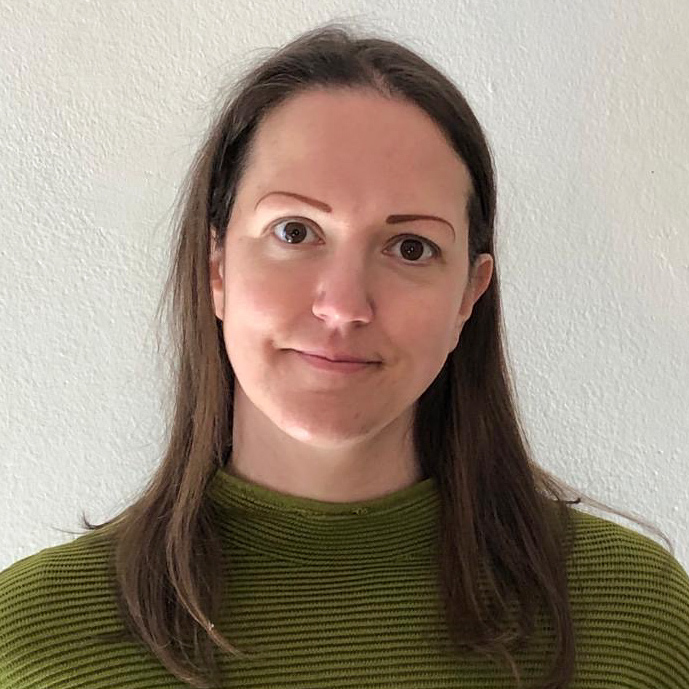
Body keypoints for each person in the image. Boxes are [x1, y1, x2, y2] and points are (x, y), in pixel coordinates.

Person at [1, 22, 687, 689]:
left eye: (411, 247)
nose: (343, 305)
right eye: (295, 231)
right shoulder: (31, 644)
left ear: (467, 297)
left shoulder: (636, 620)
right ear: (216, 267)